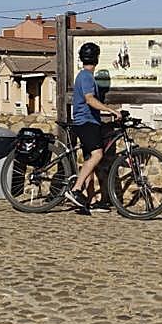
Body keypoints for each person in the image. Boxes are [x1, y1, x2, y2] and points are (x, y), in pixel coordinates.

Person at [65, 42, 118, 211]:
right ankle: (76, 189)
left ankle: (87, 201)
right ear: (97, 58)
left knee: (90, 161)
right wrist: (110, 110)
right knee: (97, 154)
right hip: (86, 121)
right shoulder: (87, 76)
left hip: (88, 121)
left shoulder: (83, 75)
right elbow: (90, 99)